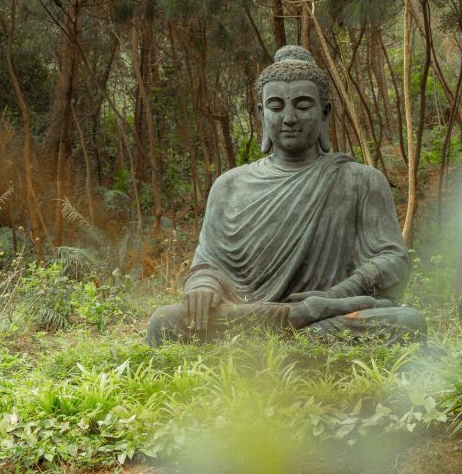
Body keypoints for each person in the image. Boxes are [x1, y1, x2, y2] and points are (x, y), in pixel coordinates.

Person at [147, 45, 426, 346]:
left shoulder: (360, 181)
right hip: (256, 312)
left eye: (303, 106)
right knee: (164, 323)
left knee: (408, 324)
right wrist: (202, 286)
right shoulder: (229, 186)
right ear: (260, 113)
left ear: (325, 113)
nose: (290, 118)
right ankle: (296, 318)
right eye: (276, 106)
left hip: (325, 318)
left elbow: (393, 259)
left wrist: (337, 295)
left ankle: (296, 324)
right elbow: (208, 265)